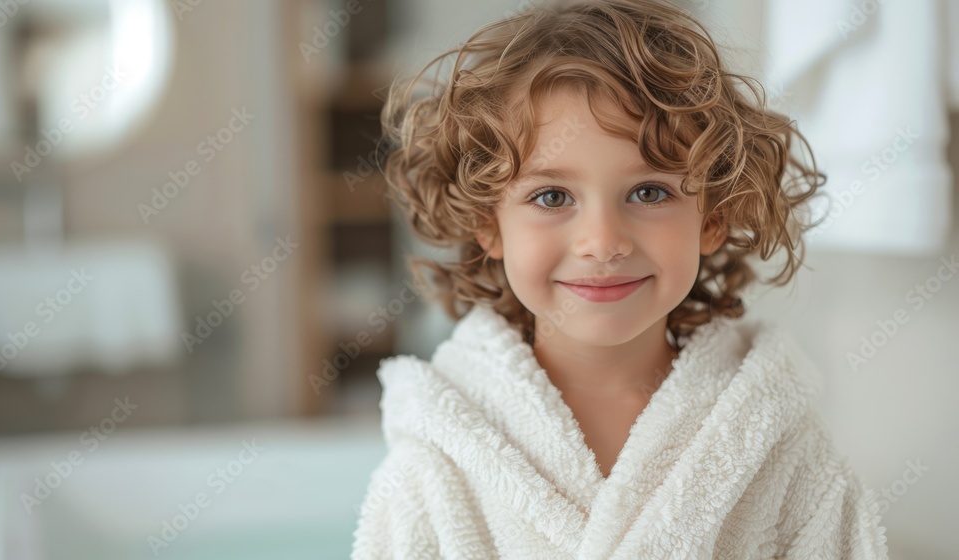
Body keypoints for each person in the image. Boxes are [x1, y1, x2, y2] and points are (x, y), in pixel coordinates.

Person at [351, 0, 889, 557]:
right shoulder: (437, 462)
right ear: (489, 223)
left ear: (714, 215)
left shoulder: (784, 451)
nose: (604, 242)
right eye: (552, 197)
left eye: (649, 192)